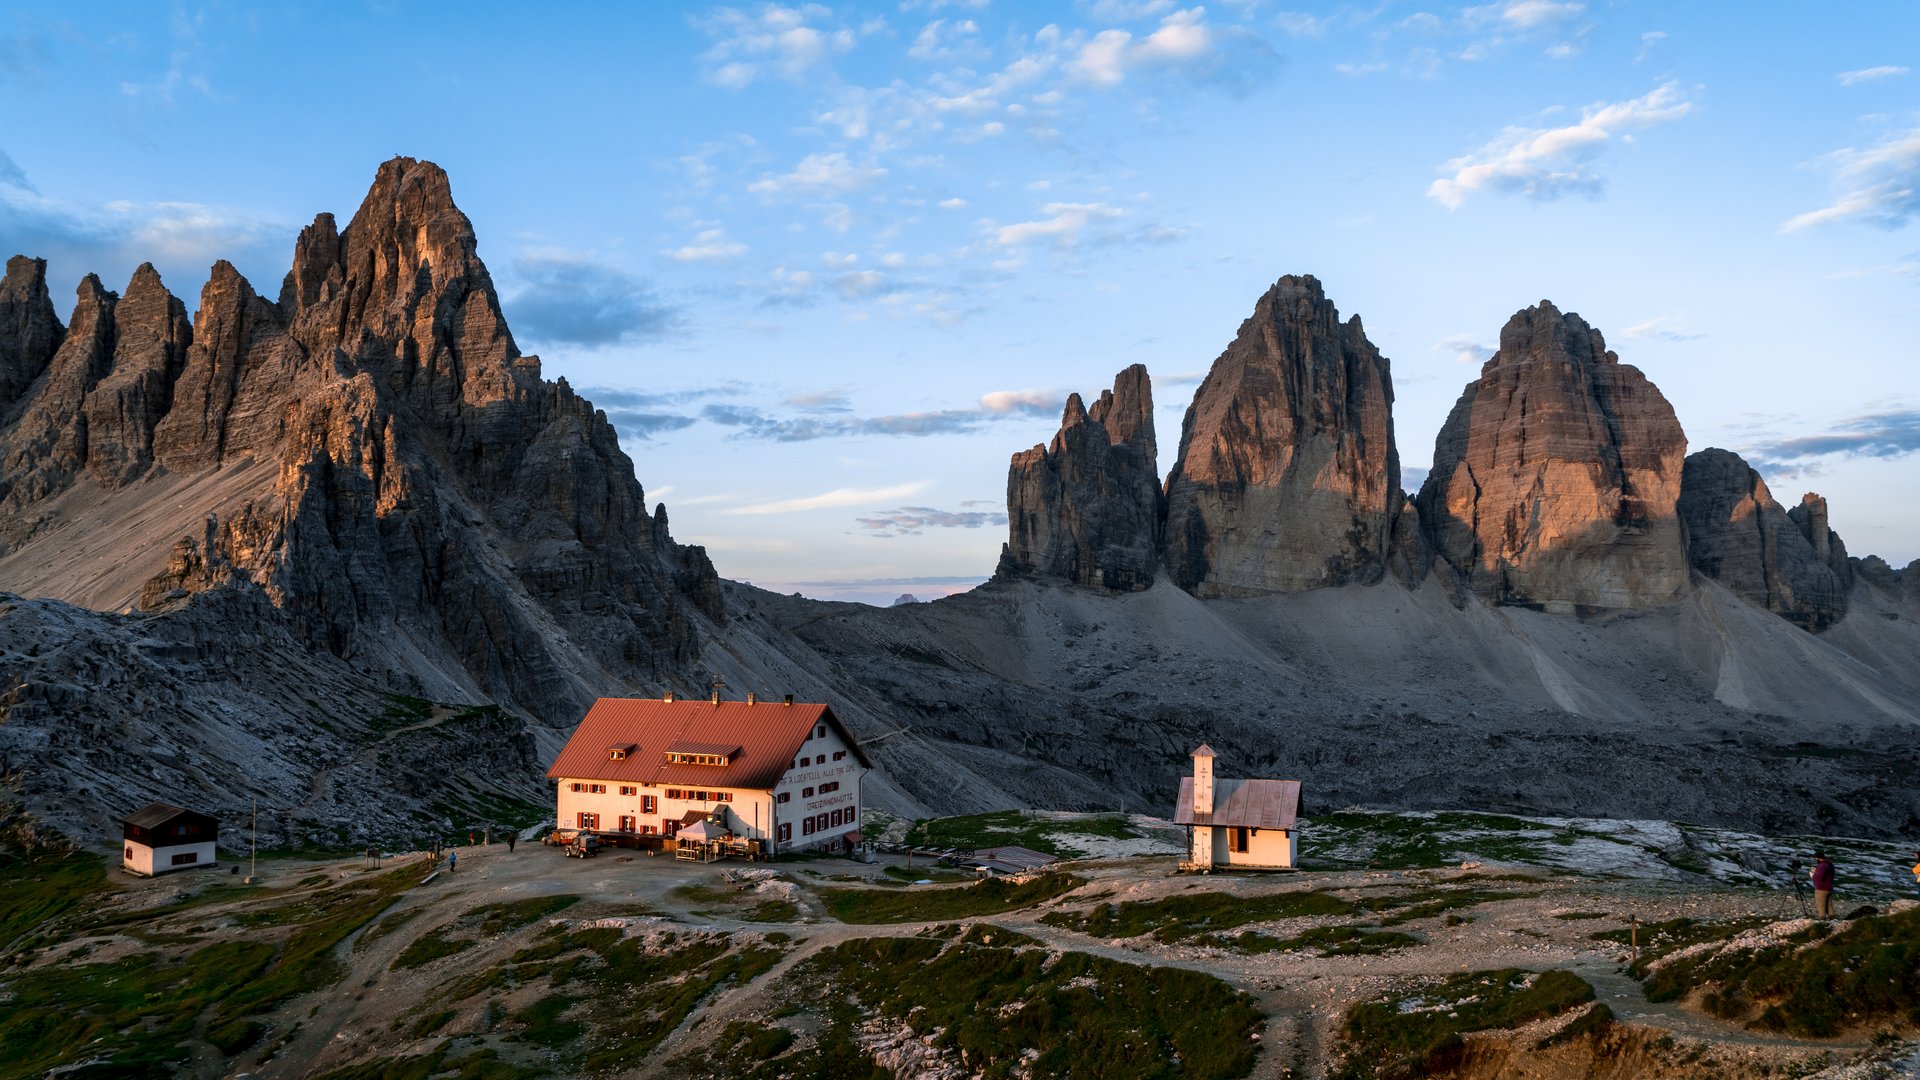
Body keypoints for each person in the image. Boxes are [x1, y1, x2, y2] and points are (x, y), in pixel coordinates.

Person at [1810, 851, 1835, 917]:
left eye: (1815, 858)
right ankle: (1834, 921)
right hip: (1829, 889)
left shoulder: (1822, 866)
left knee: (1821, 908)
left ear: (1818, 858)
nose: (1815, 860)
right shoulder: (1830, 864)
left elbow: (1818, 878)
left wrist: (1812, 875)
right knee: (1829, 908)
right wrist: (1816, 871)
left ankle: (1822, 922)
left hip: (1821, 890)